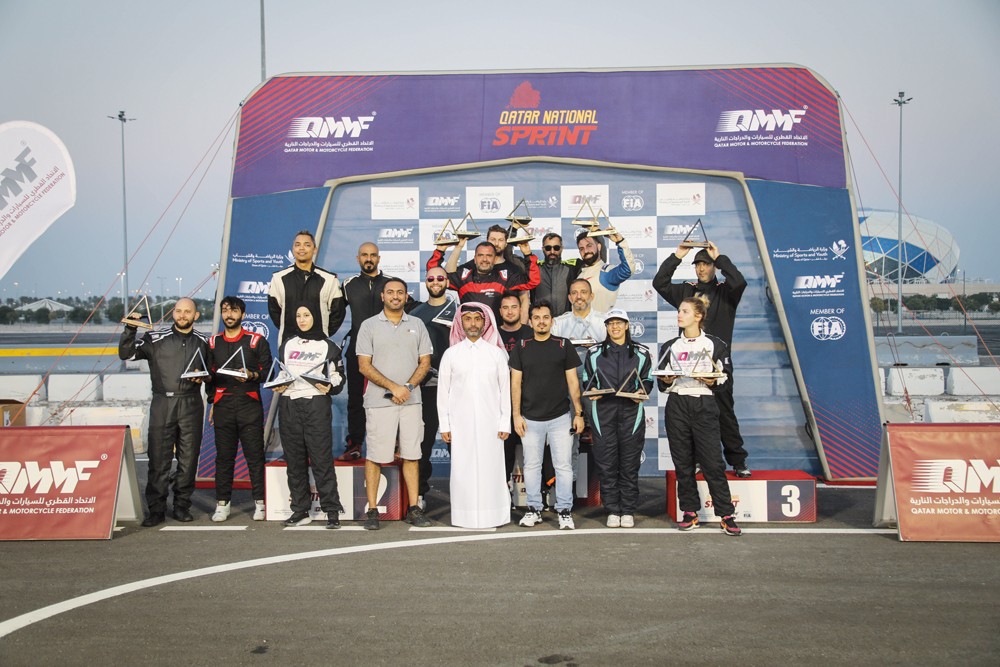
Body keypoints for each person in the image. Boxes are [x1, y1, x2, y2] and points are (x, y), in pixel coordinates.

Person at [652, 242, 750, 478]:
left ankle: (737, 461)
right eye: (698, 264)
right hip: (688, 361)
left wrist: (721, 257)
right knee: (691, 414)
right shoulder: (687, 291)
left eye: (707, 263)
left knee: (725, 412)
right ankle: (696, 460)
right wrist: (678, 256)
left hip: (717, 361)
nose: (702, 268)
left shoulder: (727, 291)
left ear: (714, 266)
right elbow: (659, 283)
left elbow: (740, 282)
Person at [119, 297, 210, 526]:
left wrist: (212, 393)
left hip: (191, 403)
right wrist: (130, 328)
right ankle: (157, 510)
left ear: (195, 315)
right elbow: (126, 355)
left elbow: (212, 375)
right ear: (173, 313)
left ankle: (181, 506)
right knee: (158, 460)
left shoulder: (204, 341)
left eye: (187, 312)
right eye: (178, 311)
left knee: (188, 461)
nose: (182, 315)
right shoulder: (154, 337)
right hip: (162, 403)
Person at [657, 295, 741, 537]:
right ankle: (690, 512)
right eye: (679, 311)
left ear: (698, 316)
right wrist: (667, 380)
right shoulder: (671, 345)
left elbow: (725, 381)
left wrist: (712, 381)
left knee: (713, 463)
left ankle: (726, 514)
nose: (679, 314)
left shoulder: (716, 344)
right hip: (677, 404)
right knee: (682, 463)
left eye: (684, 311)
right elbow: (663, 384)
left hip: (704, 403)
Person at [356, 278, 433, 530]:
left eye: (400, 292)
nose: (395, 296)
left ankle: (413, 508)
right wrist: (394, 387)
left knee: (412, 455)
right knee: (376, 456)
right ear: (383, 296)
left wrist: (408, 388)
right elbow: (364, 366)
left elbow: (425, 362)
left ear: (406, 296)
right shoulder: (368, 326)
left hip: (412, 400)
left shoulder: (418, 324)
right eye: (390, 292)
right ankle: (372, 511)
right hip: (379, 402)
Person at [510, 301, 585, 530]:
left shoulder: (563, 345)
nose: (541, 321)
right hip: (530, 418)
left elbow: (573, 382)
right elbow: (515, 383)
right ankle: (534, 509)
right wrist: (516, 416)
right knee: (532, 466)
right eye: (537, 317)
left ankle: (564, 511)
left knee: (563, 466)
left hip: (561, 416)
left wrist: (578, 413)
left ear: (552, 321)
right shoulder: (521, 346)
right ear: (530, 321)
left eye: (545, 317)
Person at [271, 302, 346, 528]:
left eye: (306, 314)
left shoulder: (329, 346)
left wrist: (330, 387)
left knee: (322, 460)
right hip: (289, 405)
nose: (302, 319)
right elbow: (282, 372)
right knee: (294, 461)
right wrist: (279, 384)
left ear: (316, 317)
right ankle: (300, 510)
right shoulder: (287, 344)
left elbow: (339, 378)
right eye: (298, 315)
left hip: (316, 405)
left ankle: (332, 510)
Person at [437, 303, 511, 529]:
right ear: (461, 322)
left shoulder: (496, 354)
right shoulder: (451, 354)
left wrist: (504, 422)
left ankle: (494, 516)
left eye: (477, 319)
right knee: (463, 470)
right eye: (467, 319)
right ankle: (464, 517)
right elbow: (443, 392)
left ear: (485, 322)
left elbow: (505, 391)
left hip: (492, 424)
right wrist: (445, 425)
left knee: (492, 470)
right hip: (461, 425)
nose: (472, 324)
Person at [339, 242, 414, 462]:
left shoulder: (390, 284)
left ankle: (395, 444)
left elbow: (410, 307)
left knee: (391, 396)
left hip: (389, 351)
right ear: (358, 258)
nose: (368, 258)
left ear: (379, 258)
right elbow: (333, 315)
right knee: (356, 400)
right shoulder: (348, 284)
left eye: (373, 255)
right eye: (364, 255)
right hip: (358, 352)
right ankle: (355, 444)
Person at [581, 309, 654, 528]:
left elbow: (648, 379)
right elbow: (587, 380)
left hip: (631, 413)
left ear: (627, 325)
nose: (615, 327)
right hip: (603, 413)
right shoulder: (594, 353)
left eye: (619, 323)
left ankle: (628, 510)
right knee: (607, 464)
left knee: (630, 464)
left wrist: (642, 392)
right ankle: (612, 510)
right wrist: (592, 389)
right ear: (606, 326)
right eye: (611, 323)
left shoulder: (641, 352)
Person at [206, 295, 273, 522]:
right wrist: (212, 401)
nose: (229, 314)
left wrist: (252, 375)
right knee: (224, 458)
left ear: (242, 315)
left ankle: (260, 504)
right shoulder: (213, 342)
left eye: (234, 311)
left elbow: (269, 373)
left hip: (249, 404)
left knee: (254, 456)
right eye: (225, 310)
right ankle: (222, 504)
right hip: (223, 405)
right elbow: (210, 377)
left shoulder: (256, 340)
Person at [408, 266, 453, 509]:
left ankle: (464, 490)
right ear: (425, 282)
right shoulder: (415, 313)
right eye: (431, 278)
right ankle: (421, 493)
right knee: (423, 441)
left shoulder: (459, 310)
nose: (435, 282)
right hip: (427, 385)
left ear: (447, 281)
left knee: (458, 442)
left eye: (440, 278)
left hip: (456, 387)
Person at [427, 237, 540, 324]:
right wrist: (440, 251)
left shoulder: (505, 278)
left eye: (489, 256)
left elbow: (532, 281)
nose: (484, 259)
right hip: (469, 337)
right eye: (480, 255)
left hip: (495, 337)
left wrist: (527, 254)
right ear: (475, 259)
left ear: (495, 259)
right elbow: (434, 275)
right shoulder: (463, 277)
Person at [268, 230, 346, 344]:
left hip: (318, 345)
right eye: (297, 245)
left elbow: (338, 312)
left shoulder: (329, 279)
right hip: (288, 344)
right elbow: (274, 311)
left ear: (315, 249)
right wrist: (290, 330)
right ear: (293, 249)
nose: (301, 248)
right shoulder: (278, 278)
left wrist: (323, 332)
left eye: (307, 245)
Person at [496, 293, 533, 485]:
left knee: (533, 451)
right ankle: (504, 492)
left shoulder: (531, 333)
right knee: (504, 450)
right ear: (500, 311)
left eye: (513, 307)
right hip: (500, 401)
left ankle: (538, 495)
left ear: (520, 309)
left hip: (529, 400)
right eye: (505, 307)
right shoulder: (492, 335)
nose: (510, 311)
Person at [575, 229, 635, 313]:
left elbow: (628, 269)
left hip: (600, 325)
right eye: (581, 248)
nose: (586, 251)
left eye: (589, 246)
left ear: (599, 247)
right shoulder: (580, 275)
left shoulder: (605, 271)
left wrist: (620, 242)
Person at [532, 232, 579, 318]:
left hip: (565, 325)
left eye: (556, 248)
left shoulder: (571, 268)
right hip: (542, 323)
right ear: (543, 249)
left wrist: (596, 231)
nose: (552, 251)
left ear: (561, 249)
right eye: (548, 248)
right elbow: (511, 258)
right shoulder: (535, 269)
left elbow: (596, 259)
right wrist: (513, 231)